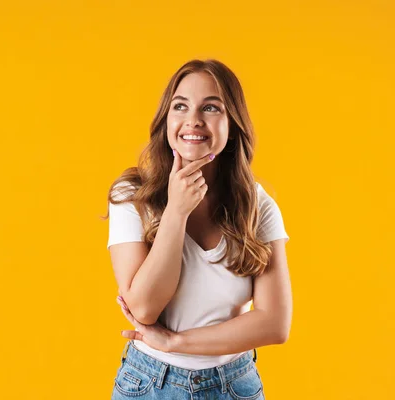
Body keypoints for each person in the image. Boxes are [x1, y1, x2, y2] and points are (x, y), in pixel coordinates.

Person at [103, 59, 291, 399]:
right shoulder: (131, 195)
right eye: (180, 106)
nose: (193, 121)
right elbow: (144, 308)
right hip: (149, 385)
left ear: (232, 124)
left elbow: (274, 323)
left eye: (211, 108)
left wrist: (177, 342)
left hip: (234, 385)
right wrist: (176, 211)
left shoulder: (257, 205)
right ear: (166, 121)